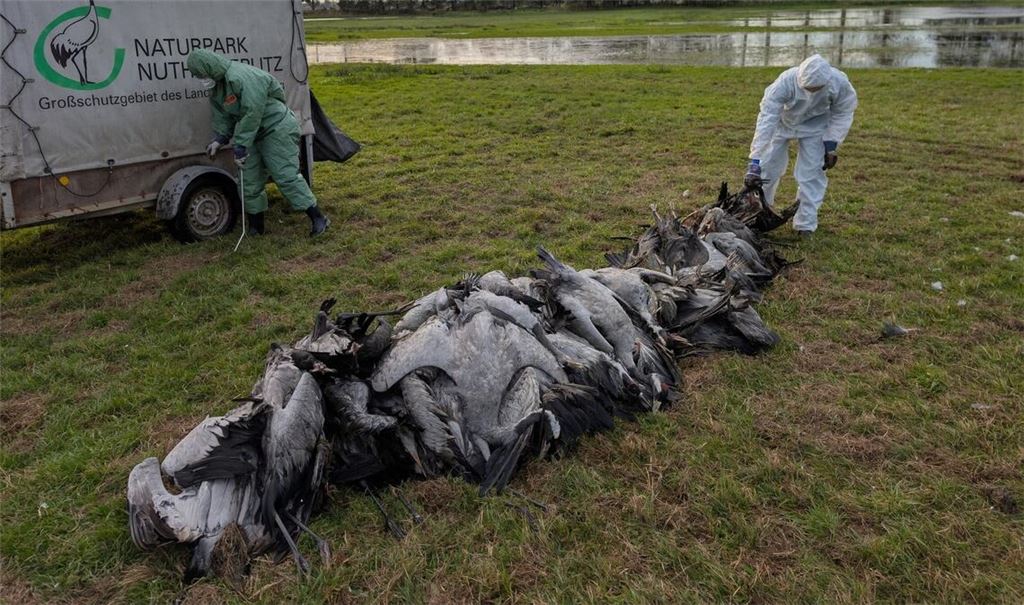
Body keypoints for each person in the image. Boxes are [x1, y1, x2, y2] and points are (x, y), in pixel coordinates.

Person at [186, 49, 329, 237]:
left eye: (202, 74)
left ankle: (318, 218)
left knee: (285, 174)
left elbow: (252, 113)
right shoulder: (217, 89)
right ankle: (256, 227)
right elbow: (223, 116)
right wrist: (219, 139)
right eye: (199, 76)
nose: (202, 79)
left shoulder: (242, 77)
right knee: (248, 180)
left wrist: (240, 146)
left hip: (276, 128)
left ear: (210, 67)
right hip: (253, 135)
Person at [744, 54, 857, 237]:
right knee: (767, 169)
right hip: (782, 124)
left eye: (816, 89)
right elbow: (767, 118)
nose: (810, 93)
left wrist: (831, 143)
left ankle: (805, 224)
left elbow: (843, 111)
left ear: (826, 82)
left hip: (816, 127)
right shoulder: (785, 82)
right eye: (807, 88)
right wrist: (755, 160)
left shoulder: (839, 83)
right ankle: (758, 216)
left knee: (812, 174)